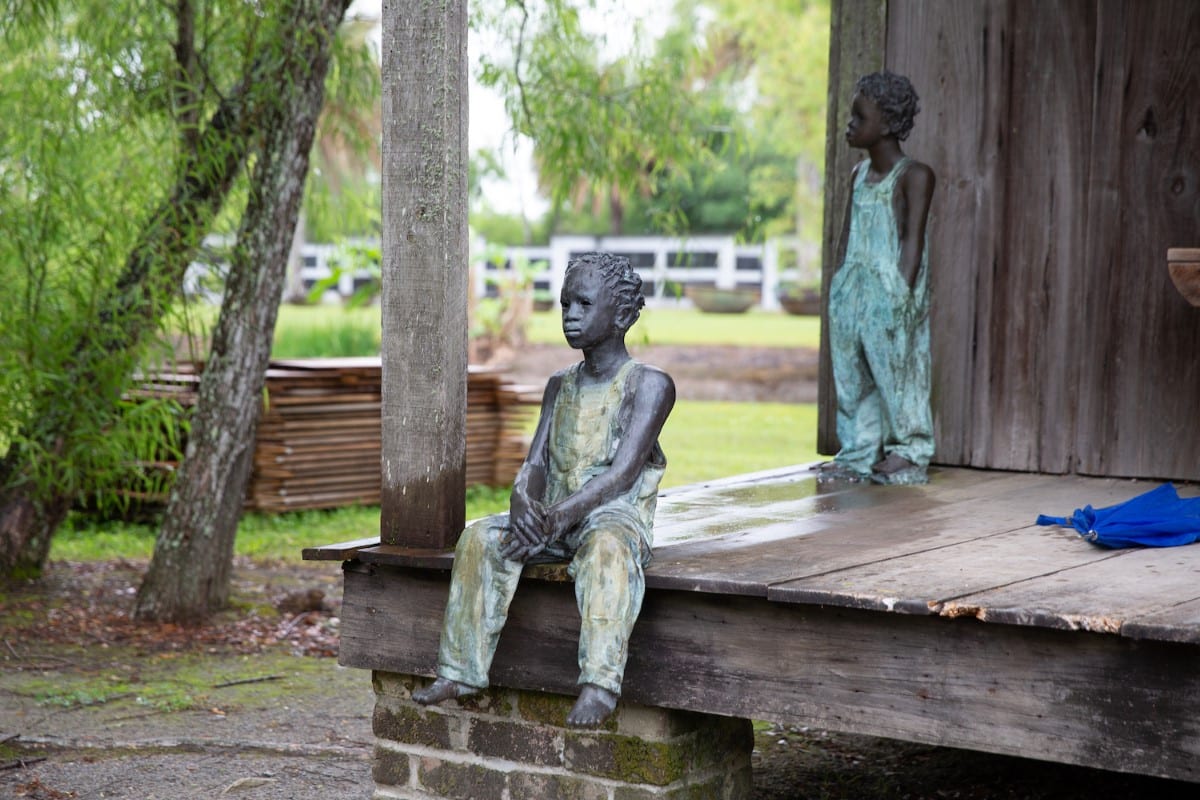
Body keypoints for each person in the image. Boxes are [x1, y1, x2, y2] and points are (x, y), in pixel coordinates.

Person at [412, 252, 676, 728]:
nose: (570, 315)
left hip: (611, 517)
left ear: (619, 315)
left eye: (583, 304)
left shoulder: (649, 385)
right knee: (480, 539)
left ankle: (599, 684)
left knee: (607, 552)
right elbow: (535, 462)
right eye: (564, 305)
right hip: (554, 516)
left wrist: (558, 517)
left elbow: (621, 474)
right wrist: (522, 499)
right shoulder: (560, 385)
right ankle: (461, 670)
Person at [818, 70, 936, 486]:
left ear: (885, 124)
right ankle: (859, 450)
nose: (849, 125)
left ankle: (909, 448)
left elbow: (912, 239)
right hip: (852, 287)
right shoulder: (857, 176)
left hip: (890, 289)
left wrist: (901, 293)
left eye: (858, 116)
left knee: (898, 371)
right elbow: (847, 235)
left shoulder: (913, 176)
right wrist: (838, 284)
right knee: (851, 375)